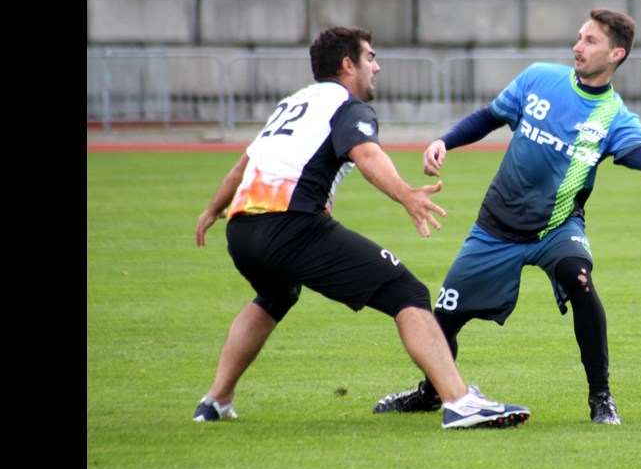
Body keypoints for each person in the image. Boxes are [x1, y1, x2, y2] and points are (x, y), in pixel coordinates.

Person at [371, 9, 641, 425]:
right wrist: (444, 141)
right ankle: (431, 392)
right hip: (495, 227)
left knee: (580, 282)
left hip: (556, 227)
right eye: (578, 37)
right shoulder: (539, 78)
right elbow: (490, 116)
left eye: (590, 41)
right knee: (442, 318)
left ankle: (601, 398)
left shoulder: (613, 117)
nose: (578, 46)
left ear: (616, 54)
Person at [193, 26, 530, 430]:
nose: (378, 66)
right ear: (347, 64)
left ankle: (216, 400)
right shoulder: (346, 104)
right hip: (290, 226)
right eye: (370, 57)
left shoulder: (295, 102)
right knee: (408, 292)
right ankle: (459, 403)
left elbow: (242, 166)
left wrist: (212, 210)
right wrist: (407, 194)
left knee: (275, 295)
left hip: (241, 231)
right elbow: (367, 154)